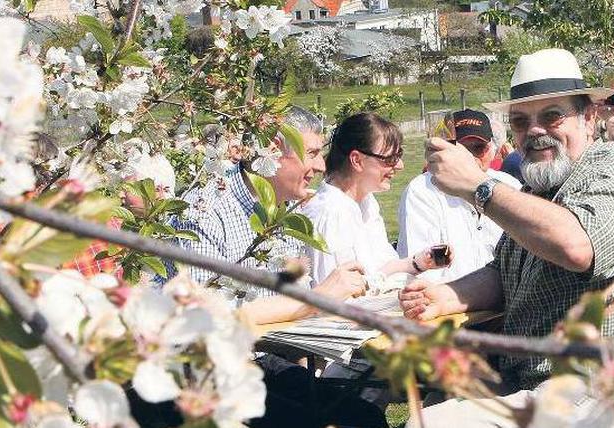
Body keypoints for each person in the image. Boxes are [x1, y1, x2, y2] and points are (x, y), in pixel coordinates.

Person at [398, 48, 614, 397]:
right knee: (437, 396)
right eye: (520, 121)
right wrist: (443, 297)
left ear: (589, 119)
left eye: (552, 117)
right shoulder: (542, 189)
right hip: (538, 380)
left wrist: (477, 186)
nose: (535, 131)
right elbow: (504, 273)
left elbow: (576, 247)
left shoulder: (613, 174)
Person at [172, 106, 386, 428]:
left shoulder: (283, 211)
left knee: (364, 417)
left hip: (255, 359)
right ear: (273, 150)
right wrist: (318, 298)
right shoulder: (206, 209)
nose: (320, 165)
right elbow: (209, 318)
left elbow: (290, 305)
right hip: (199, 372)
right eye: (312, 153)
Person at [303, 112, 444, 288]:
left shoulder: (366, 202)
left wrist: (419, 262)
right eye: (390, 158)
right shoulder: (330, 213)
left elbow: (381, 269)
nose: (400, 165)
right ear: (357, 160)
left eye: (399, 155)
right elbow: (335, 297)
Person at [398, 109, 521, 282]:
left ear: (493, 149)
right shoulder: (422, 190)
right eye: (461, 150)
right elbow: (423, 272)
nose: (469, 158)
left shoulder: (511, 186)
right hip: (447, 303)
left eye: (478, 148)